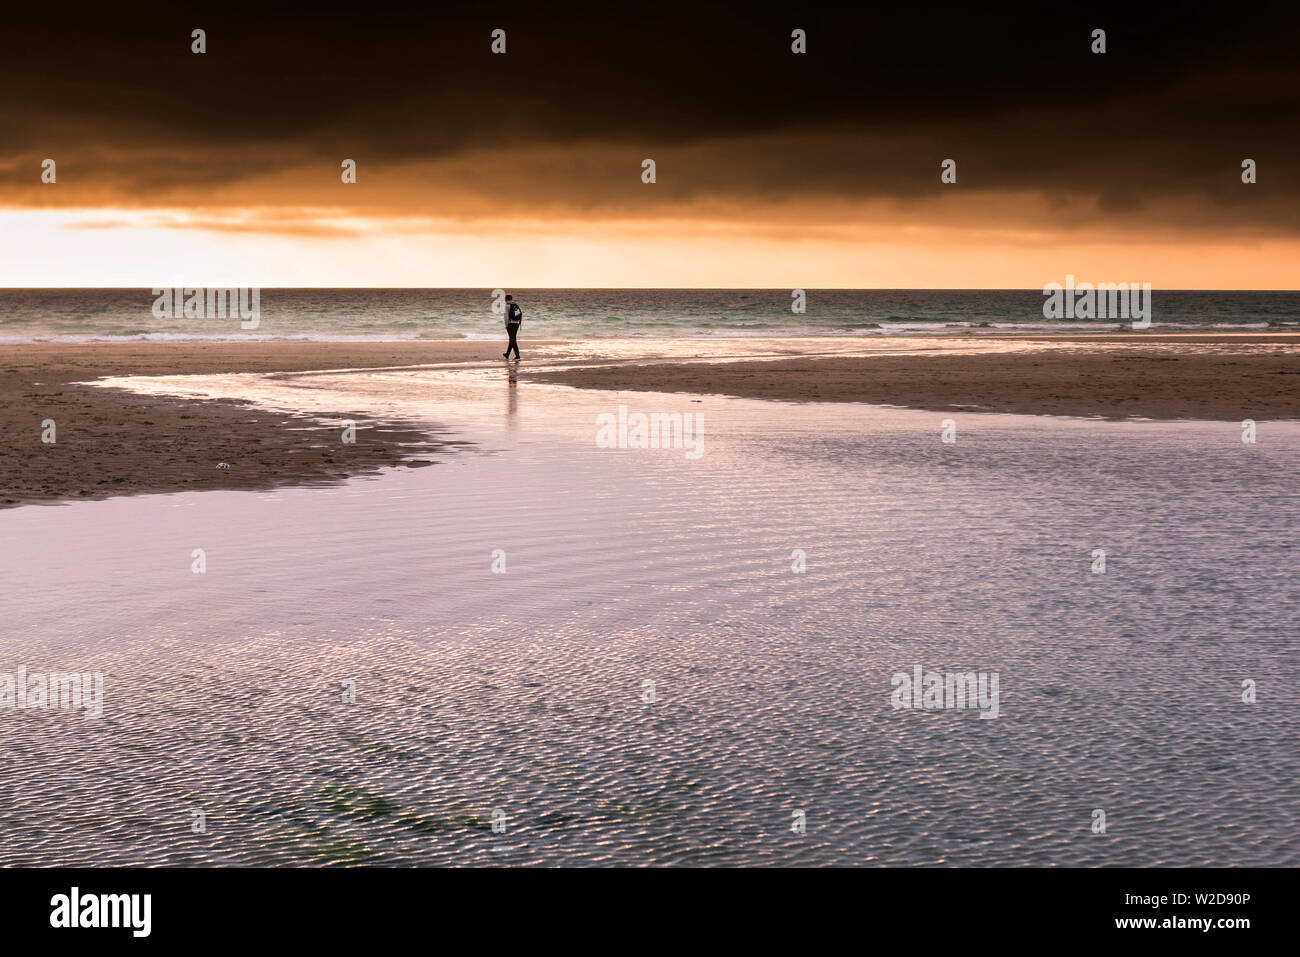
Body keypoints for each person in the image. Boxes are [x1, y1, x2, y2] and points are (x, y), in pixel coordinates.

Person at [503, 294, 522, 360]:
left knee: (512, 340)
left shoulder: (507, 306)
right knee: (512, 339)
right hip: (517, 324)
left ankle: (517, 355)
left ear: (506, 299)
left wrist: (506, 325)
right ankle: (507, 354)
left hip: (510, 324)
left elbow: (506, 317)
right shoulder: (515, 305)